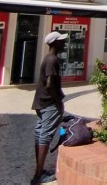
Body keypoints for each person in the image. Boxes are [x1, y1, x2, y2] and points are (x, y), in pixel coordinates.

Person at [32, 32, 67, 183]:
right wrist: (57, 100)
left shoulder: (48, 58)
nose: (64, 42)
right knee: (45, 136)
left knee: (40, 133)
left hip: (41, 102)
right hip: (49, 103)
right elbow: (50, 83)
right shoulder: (52, 60)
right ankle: (39, 175)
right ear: (55, 43)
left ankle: (39, 170)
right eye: (61, 41)